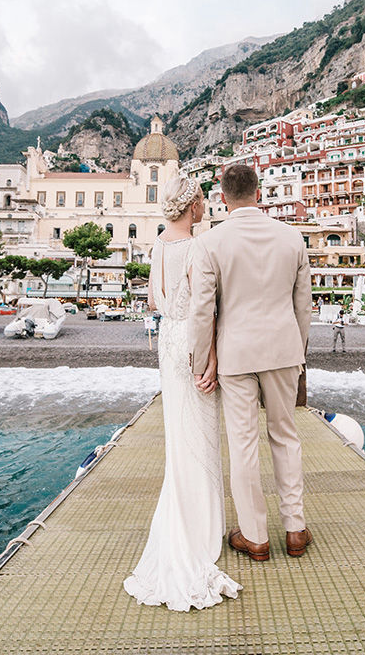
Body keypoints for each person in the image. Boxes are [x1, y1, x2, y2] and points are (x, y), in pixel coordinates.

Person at [123, 176, 241, 611]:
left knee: (180, 433)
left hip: (168, 342)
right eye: (203, 200)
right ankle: (202, 531)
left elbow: (157, 301)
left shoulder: (157, 246)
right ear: (191, 205)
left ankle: (189, 517)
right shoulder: (199, 246)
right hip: (192, 343)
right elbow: (204, 309)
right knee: (203, 433)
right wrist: (208, 361)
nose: (207, 205)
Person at [189, 164, 313, 563]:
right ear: (259, 193)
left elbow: (201, 310)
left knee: (242, 445)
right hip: (283, 350)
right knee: (285, 436)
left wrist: (200, 361)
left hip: (236, 354)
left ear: (221, 198)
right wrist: (299, 351)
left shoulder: (211, 242)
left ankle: (256, 536)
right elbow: (303, 307)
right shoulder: (292, 238)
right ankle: (295, 529)